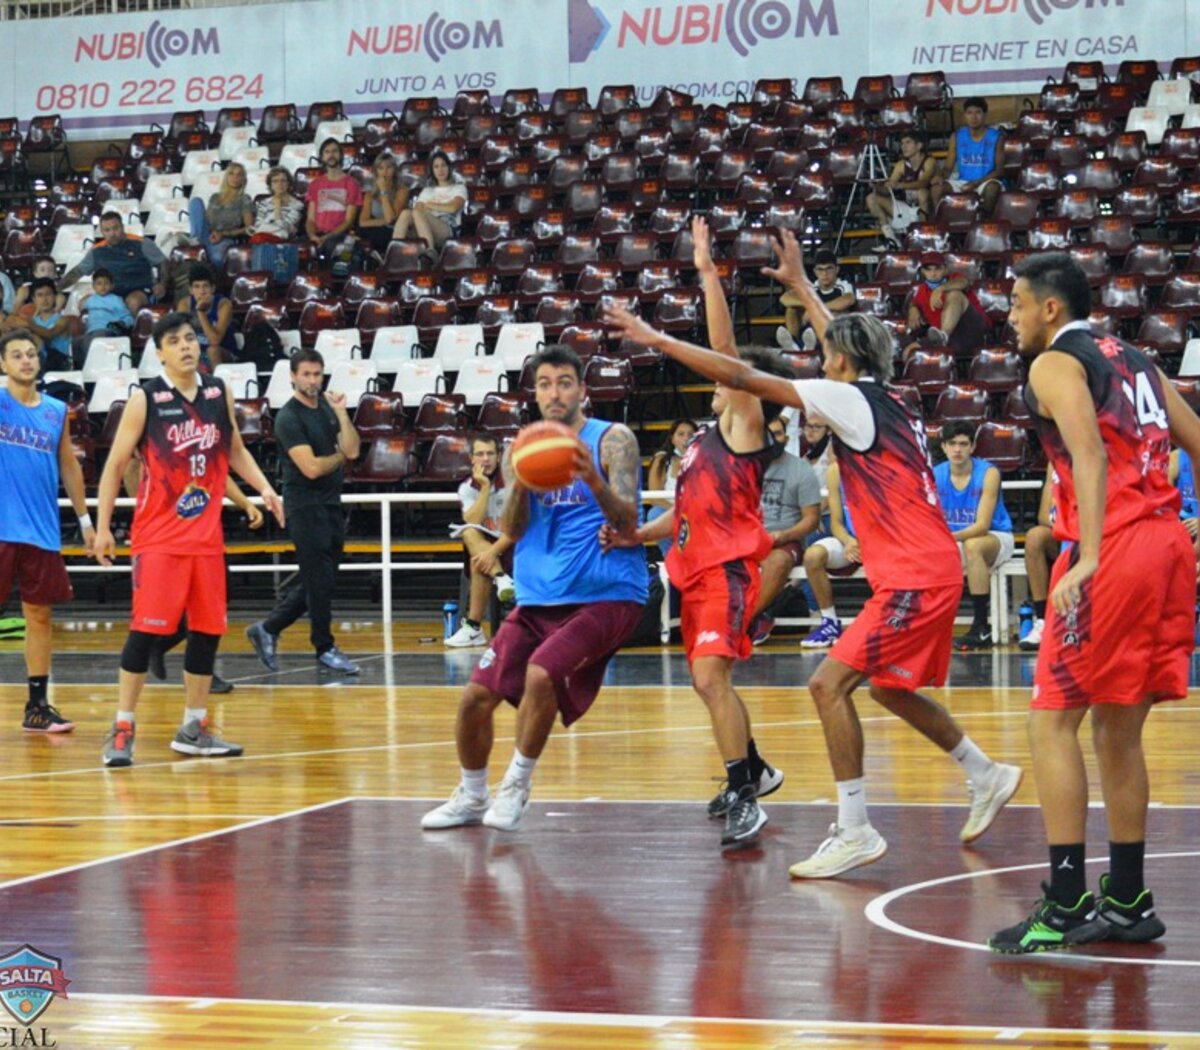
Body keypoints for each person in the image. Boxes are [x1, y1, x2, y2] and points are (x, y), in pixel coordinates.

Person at [605, 227, 1022, 876]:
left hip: (916, 574)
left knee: (828, 685)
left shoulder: (846, 397)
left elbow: (742, 371)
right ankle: (985, 771)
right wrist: (801, 284)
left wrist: (657, 340)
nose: (818, 357)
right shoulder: (890, 397)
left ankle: (855, 828)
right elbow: (849, 342)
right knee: (884, 690)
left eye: (825, 351)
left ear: (839, 362)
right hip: (922, 570)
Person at [989, 252, 1200, 953]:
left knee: (1051, 723)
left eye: (1017, 302)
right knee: (1117, 731)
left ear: (1051, 307)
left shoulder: (1054, 362)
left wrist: (1091, 557)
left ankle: (1068, 901)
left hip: (1115, 550)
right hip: (1166, 545)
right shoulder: (1138, 358)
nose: (1010, 314)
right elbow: (1195, 439)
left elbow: (1090, 454)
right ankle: (1130, 900)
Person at [602, 217, 792, 851]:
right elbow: (683, 520)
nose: (715, 379)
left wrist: (709, 275)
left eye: (726, 377)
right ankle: (756, 769)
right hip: (693, 572)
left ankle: (745, 791)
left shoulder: (744, 424)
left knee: (711, 680)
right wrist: (636, 537)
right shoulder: (701, 446)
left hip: (729, 573)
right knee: (710, 683)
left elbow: (730, 359)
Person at [421, 344, 646, 833]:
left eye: (564, 382)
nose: (554, 392)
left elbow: (628, 518)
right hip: (538, 596)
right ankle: (471, 795)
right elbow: (515, 527)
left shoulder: (612, 440)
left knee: (542, 673)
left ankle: (517, 784)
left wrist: (595, 481)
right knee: (474, 699)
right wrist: (519, 482)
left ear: (582, 389)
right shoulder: (521, 448)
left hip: (606, 592)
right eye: (544, 384)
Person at [93, 312, 284, 768]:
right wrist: (101, 527)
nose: (186, 346)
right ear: (159, 352)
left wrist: (264, 488)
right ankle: (122, 726)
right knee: (145, 632)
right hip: (158, 538)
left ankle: (193, 727)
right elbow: (115, 466)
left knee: (206, 632)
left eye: (190, 339)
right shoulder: (147, 399)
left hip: (206, 538)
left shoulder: (219, 392)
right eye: (174, 341)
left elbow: (234, 449)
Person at [0, 328, 94, 732]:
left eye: (31, 354)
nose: (25, 360)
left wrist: (86, 521)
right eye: (16, 355)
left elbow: (69, 467)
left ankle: (37, 706)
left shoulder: (56, 410)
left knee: (39, 617)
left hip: (40, 529)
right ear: (3, 365)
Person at [245, 348, 360, 675]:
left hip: (330, 503)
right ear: (293, 376)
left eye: (317, 374)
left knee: (321, 579)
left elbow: (352, 448)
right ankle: (323, 646)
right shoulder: (288, 417)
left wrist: (341, 414)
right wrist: (339, 458)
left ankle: (268, 628)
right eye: (306, 374)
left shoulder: (326, 407)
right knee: (319, 580)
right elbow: (310, 468)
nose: (312, 380)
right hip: (304, 506)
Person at [934, 420, 1015, 650]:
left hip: (996, 537)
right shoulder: (934, 475)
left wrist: (946, 539)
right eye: (952, 444)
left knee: (973, 546)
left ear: (973, 446)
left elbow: (981, 526)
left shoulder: (988, 473)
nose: (958, 449)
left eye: (963, 444)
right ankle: (930, 625)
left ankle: (981, 625)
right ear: (944, 446)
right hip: (956, 539)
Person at [749, 413, 822, 646]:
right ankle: (753, 617)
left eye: (779, 434)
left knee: (778, 562)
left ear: (787, 437)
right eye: (769, 435)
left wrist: (785, 535)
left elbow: (811, 519)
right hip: (748, 537)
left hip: (785, 539)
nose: (774, 439)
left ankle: (741, 620)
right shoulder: (744, 468)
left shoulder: (801, 469)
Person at [445, 432, 516, 648]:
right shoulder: (467, 488)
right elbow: (472, 521)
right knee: (469, 534)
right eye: (480, 454)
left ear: (498, 456)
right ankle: (501, 577)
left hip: (517, 545)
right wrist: (485, 487)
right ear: (471, 459)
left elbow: (519, 527)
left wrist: (492, 552)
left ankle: (474, 627)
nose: (486, 459)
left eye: (490, 453)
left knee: (481, 559)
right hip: (489, 550)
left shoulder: (513, 480)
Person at [800, 457, 858, 649]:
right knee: (813, 555)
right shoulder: (835, 470)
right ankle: (830, 622)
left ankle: (883, 624)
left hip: (881, 541)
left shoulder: (881, 468)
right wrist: (848, 541)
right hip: (849, 540)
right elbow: (836, 521)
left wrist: (868, 544)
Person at [58, 211, 167, 313]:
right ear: (102, 232)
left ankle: (131, 332)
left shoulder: (143, 244)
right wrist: (57, 289)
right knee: (83, 304)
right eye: (107, 230)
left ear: (122, 227)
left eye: (115, 228)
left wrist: (162, 284)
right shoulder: (96, 251)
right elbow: (77, 272)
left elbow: (163, 263)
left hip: (139, 290)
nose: (112, 233)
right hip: (108, 292)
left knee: (134, 302)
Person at [903, 252, 990, 362]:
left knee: (955, 294)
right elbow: (914, 303)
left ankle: (943, 336)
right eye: (928, 270)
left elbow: (964, 283)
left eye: (937, 269)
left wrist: (940, 289)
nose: (933, 273)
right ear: (923, 272)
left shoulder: (954, 278)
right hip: (945, 339)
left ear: (945, 270)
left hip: (970, 331)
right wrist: (913, 309)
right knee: (909, 352)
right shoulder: (922, 290)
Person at [931, 96, 1005, 217]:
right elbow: (948, 168)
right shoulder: (957, 136)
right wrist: (940, 176)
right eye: (969, 113)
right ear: (965, 115)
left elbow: (999, 171)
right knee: (936, 189)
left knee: (992, 189)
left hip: (985, 182)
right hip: (963, 181)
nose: (973, 117)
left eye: (978, 112)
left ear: (985, 115)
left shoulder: (996, 137)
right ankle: (941, 226)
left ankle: (982, 224)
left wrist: (975, 184)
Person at [866, 130, 936, 248]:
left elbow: (923, 183)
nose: (903, 147)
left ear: (919, 146)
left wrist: (900, 185)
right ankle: (891, 240)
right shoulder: (901, 165)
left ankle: (923, 237)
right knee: (871, 198)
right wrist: (876, 187)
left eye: (908, 143)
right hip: (907, 209)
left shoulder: (929, 161)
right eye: (902, 143)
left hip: (925, 210)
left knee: (922, 193)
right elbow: (888, 190)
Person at [392, 150, 466, 260]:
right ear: (432, 170)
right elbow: (417, 210)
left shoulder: (458, 188)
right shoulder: (427, 191)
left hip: (447, 228)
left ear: (449, 168)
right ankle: (394, 252)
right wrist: (438, 206)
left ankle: (430, 252)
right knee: (406, 213)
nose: (440, 170)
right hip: (424, 226)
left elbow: (453, 208)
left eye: (443, 165)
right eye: (436, 167)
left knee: (417, 213)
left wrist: (430, 205)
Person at [776, 250, 854, 353]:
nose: (824, 274)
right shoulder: (811, 287)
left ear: (837, 270)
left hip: (833, 332)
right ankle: (793, 343)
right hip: (810, 328)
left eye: (829, 269)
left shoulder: (843, 285)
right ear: (815, 272)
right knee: (791, 309)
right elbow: (784, 298)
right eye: (820, 270)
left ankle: (813, 344)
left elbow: (848, 301)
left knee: (837, 312)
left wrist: (815, 309)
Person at [1019, 472, 1060, 652]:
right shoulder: (1056, 459)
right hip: (1066, 530)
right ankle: (1043, 619)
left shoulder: (1099, 453)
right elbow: (1044, 515)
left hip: (1098, 531)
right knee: (1035, 536)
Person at [305, 138, 363, 263]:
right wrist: (312, 236)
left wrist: (327, 237)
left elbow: (348, 221)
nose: (331, 155)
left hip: (340, 235)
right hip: (318, 235)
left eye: (335, 151)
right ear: (322, 157)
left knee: (339, 253)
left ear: (341, 155)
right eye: (327, 152)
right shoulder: (315, 184)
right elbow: (310, 219)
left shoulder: (352, 184)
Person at [645, 417, 697, 553]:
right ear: (672, 439)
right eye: (680, 434)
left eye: (690, 435)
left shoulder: (703, 461)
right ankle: (672, 561)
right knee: (654, 514)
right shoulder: (662, 460)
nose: (686, 438)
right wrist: (680, 513)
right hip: (670, 514)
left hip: (697, 515)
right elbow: (655, 498)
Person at [188, 162, 254, 268]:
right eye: (231, 174)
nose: (235, 177)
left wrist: (223, 234)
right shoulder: (215, 197)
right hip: (207, 233)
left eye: (239, 175)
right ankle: (195, 240)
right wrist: (210, 232)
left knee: (217, 258)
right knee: (196, 201)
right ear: (226, 177)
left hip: (226, 237)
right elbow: (207, 219)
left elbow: (249, 228)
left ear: (243, 179)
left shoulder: (244, 199)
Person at [177, 264, 237, 367]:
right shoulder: (184, 304)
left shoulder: (223, 304)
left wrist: (201, 311)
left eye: (205, 286)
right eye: (197, 286)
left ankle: (216, 383)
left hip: (223, 352)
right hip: (197, 352)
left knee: (212, 350)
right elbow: (181, 336)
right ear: (191, 290)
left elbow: (214, 341)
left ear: (212, 288)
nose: (202, 291)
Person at [74, 267, 134, 365]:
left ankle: (94, 365)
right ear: (93, 286)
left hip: (108, 330)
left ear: (112, 286)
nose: (103, 286)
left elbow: (128, 318)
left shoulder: (116, 300)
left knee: (95, 340)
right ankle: (83, 368)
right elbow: (82, 310)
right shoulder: (90, 300)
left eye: (106, 283)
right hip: (91, 331)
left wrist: (122, 323)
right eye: (99, 283)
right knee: (77, 342)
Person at [358, 151, 408, 255]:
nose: (385, 172)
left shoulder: (402, 191)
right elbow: (362, 222)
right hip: (376, 231)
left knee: (365, 235)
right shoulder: (369, 195)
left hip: (396, 232)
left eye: (389, 167)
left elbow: (391, 218)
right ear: (376, 172)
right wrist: (384, 221)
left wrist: (383, 191)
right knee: (359, 233)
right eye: (381, 168)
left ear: (394, 170)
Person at [22, 278, 73, 371]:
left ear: (54, 297)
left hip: (60, 362)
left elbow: (49, 334)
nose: (44, 299)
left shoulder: (62, 320)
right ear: (34, 299)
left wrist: (29, 325)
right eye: (40, 295)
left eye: (48, 294)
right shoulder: (32, 320)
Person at [250, 167, 305, 242]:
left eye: (283, 181)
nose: (280, 184)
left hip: (282, 239)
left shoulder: (297, 205)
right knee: (259, 238)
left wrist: (278, 207)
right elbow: (258, 226)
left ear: (288, 184)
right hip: (261, 237)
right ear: (271, 185)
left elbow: (286, 228)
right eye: (275, 181)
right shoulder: (264, 203)